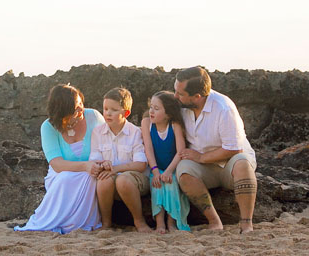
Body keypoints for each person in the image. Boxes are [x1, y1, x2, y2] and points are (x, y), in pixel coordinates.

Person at [173, 66, 258, 233]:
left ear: (197, 97)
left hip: (230, 162)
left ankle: (246, 223)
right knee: (183, 172)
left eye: (180, 94)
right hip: (204, 167)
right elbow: (156, 111)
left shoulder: (224, 108)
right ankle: (214, 221)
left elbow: (234, 149)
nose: (175, 96)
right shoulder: (181, 106)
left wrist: (201, 157)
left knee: (242, 164)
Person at [14, 84, 106, 233]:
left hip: (91, 170)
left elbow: (108, 142)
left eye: (81, 103)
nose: (81, 109)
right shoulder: (48, 127)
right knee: (65, 179)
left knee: (90, 178)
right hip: (61, 172)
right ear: (64, 110)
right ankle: (63, 223)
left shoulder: (93, 117)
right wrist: (85, 166)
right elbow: (57, 164)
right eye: (76, 107)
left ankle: (81, 223)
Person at [90, 87, 151, 233]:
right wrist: (102, 164)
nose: (108, 113)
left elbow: (141, 165)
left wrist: (115, 169)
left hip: (135, 180)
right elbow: (94, 159)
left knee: (122, 179)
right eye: (105, 109)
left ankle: (139, 221)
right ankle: (106, 223)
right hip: (111, 180)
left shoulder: (135, 132)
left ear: (126, 113)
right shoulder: (97, 132)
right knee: (103, 180)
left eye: (114, 110)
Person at [141, 91, 190, 233]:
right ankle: (160, 224)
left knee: (171, 182)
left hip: (172, 168)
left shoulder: (174, 125)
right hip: (155, 168)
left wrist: (169, 171)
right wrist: (155, 171)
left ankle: (171, 222)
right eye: (151, 107)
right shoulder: (146, 123)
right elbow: (148, 149)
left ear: (168, 114)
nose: (151, 111)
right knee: (156, 184)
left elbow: (180, 151)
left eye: (156, 109)